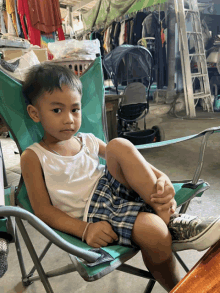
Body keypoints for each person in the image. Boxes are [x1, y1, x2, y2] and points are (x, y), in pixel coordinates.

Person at [20, 63, 220, 292]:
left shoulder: (87, 139)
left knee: (119, 145)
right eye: (57, 110)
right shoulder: (33, 156)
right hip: (93, 211)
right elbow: (43, 210)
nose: (69, 119)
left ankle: (166, 214)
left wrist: (161, 176)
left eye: (74, 109)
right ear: (34, 113)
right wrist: (85, 230)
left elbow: (129, 160)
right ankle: (179, 277)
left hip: (110, 185)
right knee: (154, 231)